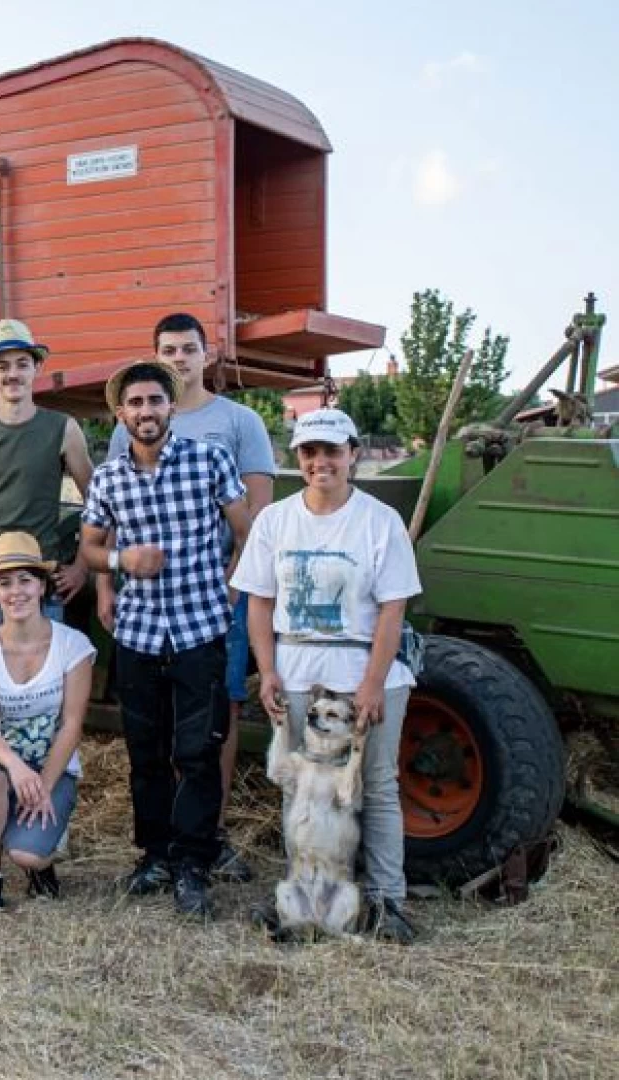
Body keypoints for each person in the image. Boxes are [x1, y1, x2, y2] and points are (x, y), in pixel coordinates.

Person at [232, 408, 421, 943]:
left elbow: (392, 609)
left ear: (352, 454)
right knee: (301, 788)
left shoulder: (378, 521)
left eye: (332, 451)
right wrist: (266, 670)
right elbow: (260, 602)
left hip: (364, 662)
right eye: (310, 452)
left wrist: (373, 682)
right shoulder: (276, 520)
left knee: (377, 784)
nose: (321, 462)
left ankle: (387, 901)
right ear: (298, 457)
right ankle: (304, 899)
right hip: (297, 666)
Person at [101, 312, 278, 882]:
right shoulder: (120, 447)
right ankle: (159, 852)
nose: (179, 357)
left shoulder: (234, 428)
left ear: (206, 355)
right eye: (168, 349)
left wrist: (233, 592)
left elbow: (255, 521)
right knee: (149, 743)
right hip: (143, 621)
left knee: (205, 734)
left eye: (188, 349)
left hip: (208, 605)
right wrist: (109, 578)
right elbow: (104, 528)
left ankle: (204, 844)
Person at [81, 359, 252, 919]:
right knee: (145, 755)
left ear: (170, 406)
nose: (145, 412)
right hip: (138, 633)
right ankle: (153, 855)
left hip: (200, 630)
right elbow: (89, 549)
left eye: (154, 401)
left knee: (198, 753)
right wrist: (117, 563)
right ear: (120, 413)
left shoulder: (209, 460)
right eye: (135, 404)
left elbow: (245, 532)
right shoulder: (108, 478)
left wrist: (230, 592)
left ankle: (193, 865)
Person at [0, 319, 95, 709]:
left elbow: (98, 502)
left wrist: (81, 566)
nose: (12, 374)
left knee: (44, 695)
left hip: (40, 576)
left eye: (21, 363)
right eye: (3, 365)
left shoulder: (63, 428)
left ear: (35, 368)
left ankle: (38, 772)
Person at [0, 533, 94, 911]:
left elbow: (71, 725)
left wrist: (44, 784)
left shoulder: (74, 646)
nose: (15, 591)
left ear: (42, 586)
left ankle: (39, 861)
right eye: (4, 583)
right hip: (0, 761)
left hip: (51, 766)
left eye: (25, 580)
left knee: (28, 854)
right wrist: (17, 768)